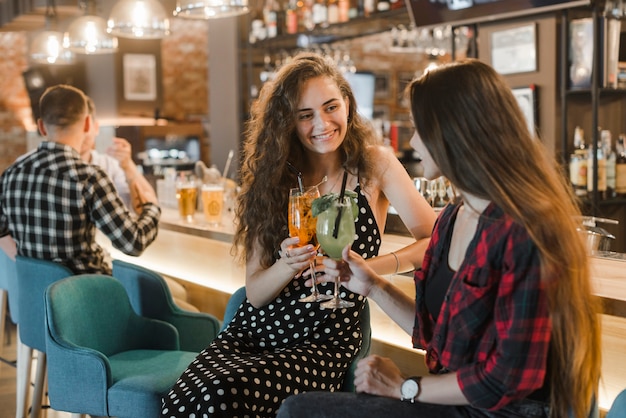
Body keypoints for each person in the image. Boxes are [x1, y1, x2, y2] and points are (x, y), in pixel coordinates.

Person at [276, 59, 602, 418]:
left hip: (508, 412)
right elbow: (439, 336)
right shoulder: (452, 217)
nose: (413, 141)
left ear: (454, 133)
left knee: (299, 411)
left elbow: (505, 380)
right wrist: (373, 286)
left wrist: (404, 388)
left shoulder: (526, 229)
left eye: (419, 129)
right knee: (299, 409)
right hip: (457, 403)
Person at [161, 52, 437, 417]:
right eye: (305, 115)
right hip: (253, 332)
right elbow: (256, 294)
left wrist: (371, 269)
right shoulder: (272, 179)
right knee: (186, 396)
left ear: (348, 105)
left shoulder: (374, 163)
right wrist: (286, 265)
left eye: (330, 107)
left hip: (323, 341)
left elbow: (435, 238)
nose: (322, 123)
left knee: (221, 397)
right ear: (287, 122)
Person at [0, 84, 160, 275]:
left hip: (34, 296)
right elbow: (133, 243)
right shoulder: (89, 178)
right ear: (86, 124)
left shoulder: (12, 174)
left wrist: (30, 265)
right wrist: (152, 208)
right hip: (89, 296)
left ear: (41, 126)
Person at [81, 96, 150, 212]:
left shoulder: (108, 165)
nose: (81, 133)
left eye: (84, 126)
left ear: (95, 127)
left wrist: (128, 165)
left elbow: (144, 205)